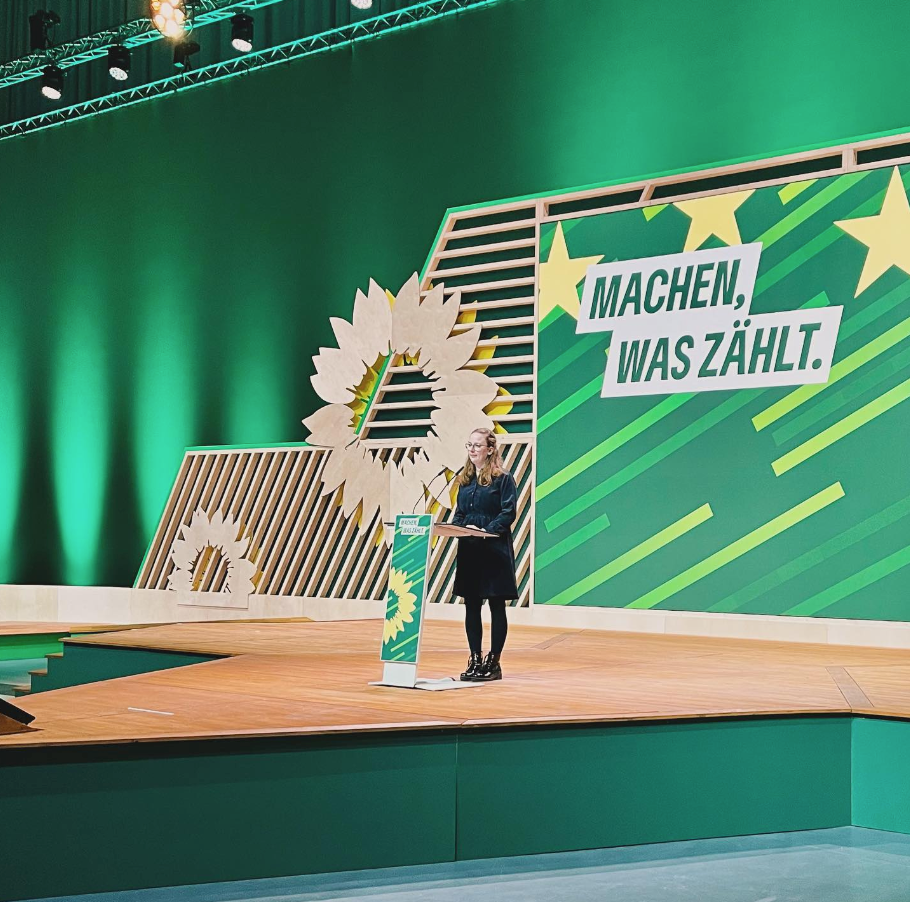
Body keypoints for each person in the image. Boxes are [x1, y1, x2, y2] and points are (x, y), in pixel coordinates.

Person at [452, 427, 518, 681]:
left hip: (493, 548)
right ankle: (475, 658)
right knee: (471, 605)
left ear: (490, 449)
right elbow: (460, 513)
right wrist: (458, 528)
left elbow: (508, 512)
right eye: (469, 445)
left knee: (495, 605)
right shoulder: (465, 479)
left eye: (477, 445)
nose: (472, 449)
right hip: (470, 549)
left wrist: (487, 531)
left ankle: (494, 662)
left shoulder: (503, 478)